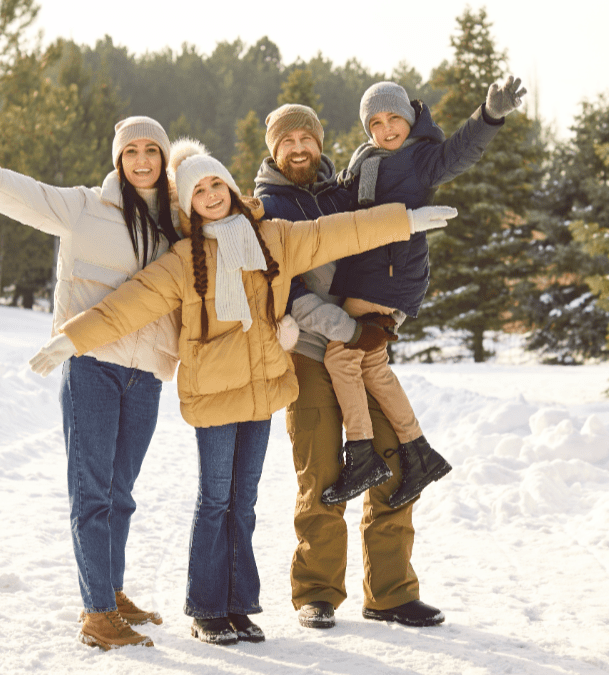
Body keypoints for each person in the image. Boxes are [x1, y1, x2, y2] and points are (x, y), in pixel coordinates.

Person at [27, 139, 457, 646]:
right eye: (198, 190)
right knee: (215, 499)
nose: (210, 194)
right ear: (187, 204)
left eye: (216, 184)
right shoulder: (184, 260)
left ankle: (238, 605)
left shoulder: (273, 239)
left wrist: (404, 221)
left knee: (244, 502)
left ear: (230, 187)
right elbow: (129, 305)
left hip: (263, 390)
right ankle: (208, 608)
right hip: (213, 397)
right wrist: (71, 339)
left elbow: (338, 232)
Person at [0, 115, 180, 651]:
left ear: (164, 159)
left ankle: (111, 592)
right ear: (118, 159)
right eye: (131, 151)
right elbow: (9, 190)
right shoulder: (85, 207)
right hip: (92, 365)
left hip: (147, 376)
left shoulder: (176, 223)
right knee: (92, 492)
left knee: (122, 494)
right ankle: (96, 613)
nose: (142, 160)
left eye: (151, 151)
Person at [251, 104, 434, 629]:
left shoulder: (344, 192)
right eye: (289, 140)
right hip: (310, 354)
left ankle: (392, 593)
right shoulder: (265, 208)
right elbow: (287, 297)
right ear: (274, 148)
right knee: (324, 473)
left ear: (321, 143)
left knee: (395, 460)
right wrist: (353, 330)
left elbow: (386, 251)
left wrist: (388, 312)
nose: (300, 147)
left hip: (363, 350)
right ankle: (318, 593)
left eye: (308, 137)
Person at [320, 77, 526, 508]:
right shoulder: (367, 159)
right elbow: (342, 201)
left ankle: (360, 455)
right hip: (374, 274)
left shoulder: (420, 157)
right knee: (371, 366)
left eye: (394, 117)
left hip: (389, 275)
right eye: (375, 122)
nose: (386, 128)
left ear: (410, 119)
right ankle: (419, 453)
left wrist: (488, 116)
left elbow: (460, 153)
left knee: (341, 356)